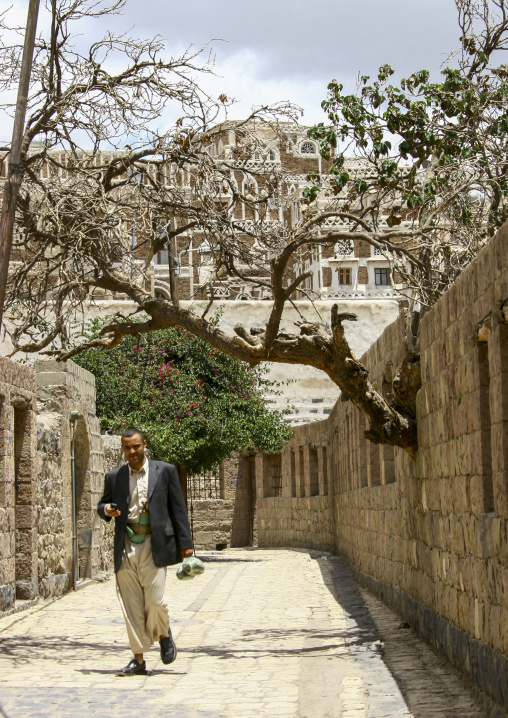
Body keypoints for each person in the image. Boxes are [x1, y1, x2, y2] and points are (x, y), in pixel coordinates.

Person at [97, 427, 193, 675]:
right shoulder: (114, 477)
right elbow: (101, 504)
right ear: (122, 449)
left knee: (155, 601)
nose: (132, 451)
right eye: (127, 447)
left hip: (155, 545)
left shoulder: (165, 471)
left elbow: (179, 510)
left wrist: (186, 545)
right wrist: (106, 509)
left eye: (136, 446)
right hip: (126, 546)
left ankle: (163, 633)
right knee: (131, 605)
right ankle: (138, 660)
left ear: (144, 445)